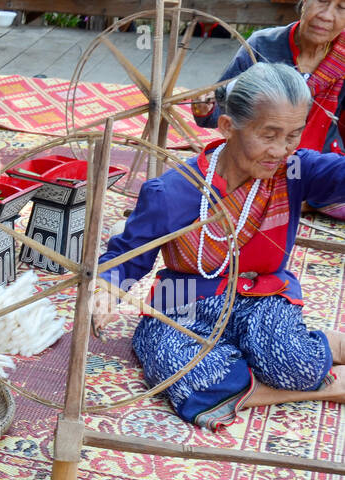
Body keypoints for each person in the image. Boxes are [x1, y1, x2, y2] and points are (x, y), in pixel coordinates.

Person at [100, 62, 345, 428]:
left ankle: (328, 346)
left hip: (261, 291)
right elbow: (127, 256)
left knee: (295, 365)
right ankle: (326, 389)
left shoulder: (295, 170)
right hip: (181, 294)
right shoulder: (174, 190)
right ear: (229, 126)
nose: (281, 149)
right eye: (269, 134)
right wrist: (105, 292)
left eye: (293, 135)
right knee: (179, 371)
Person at [193, 0, 345, 215]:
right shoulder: (262, 44)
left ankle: (304, 198)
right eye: (321, 1)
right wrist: (205, 109)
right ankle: (290, 197)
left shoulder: (343, 57)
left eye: (342, 7)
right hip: (259, 156)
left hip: (316, 161)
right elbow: (227, 107)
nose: (327, 15)